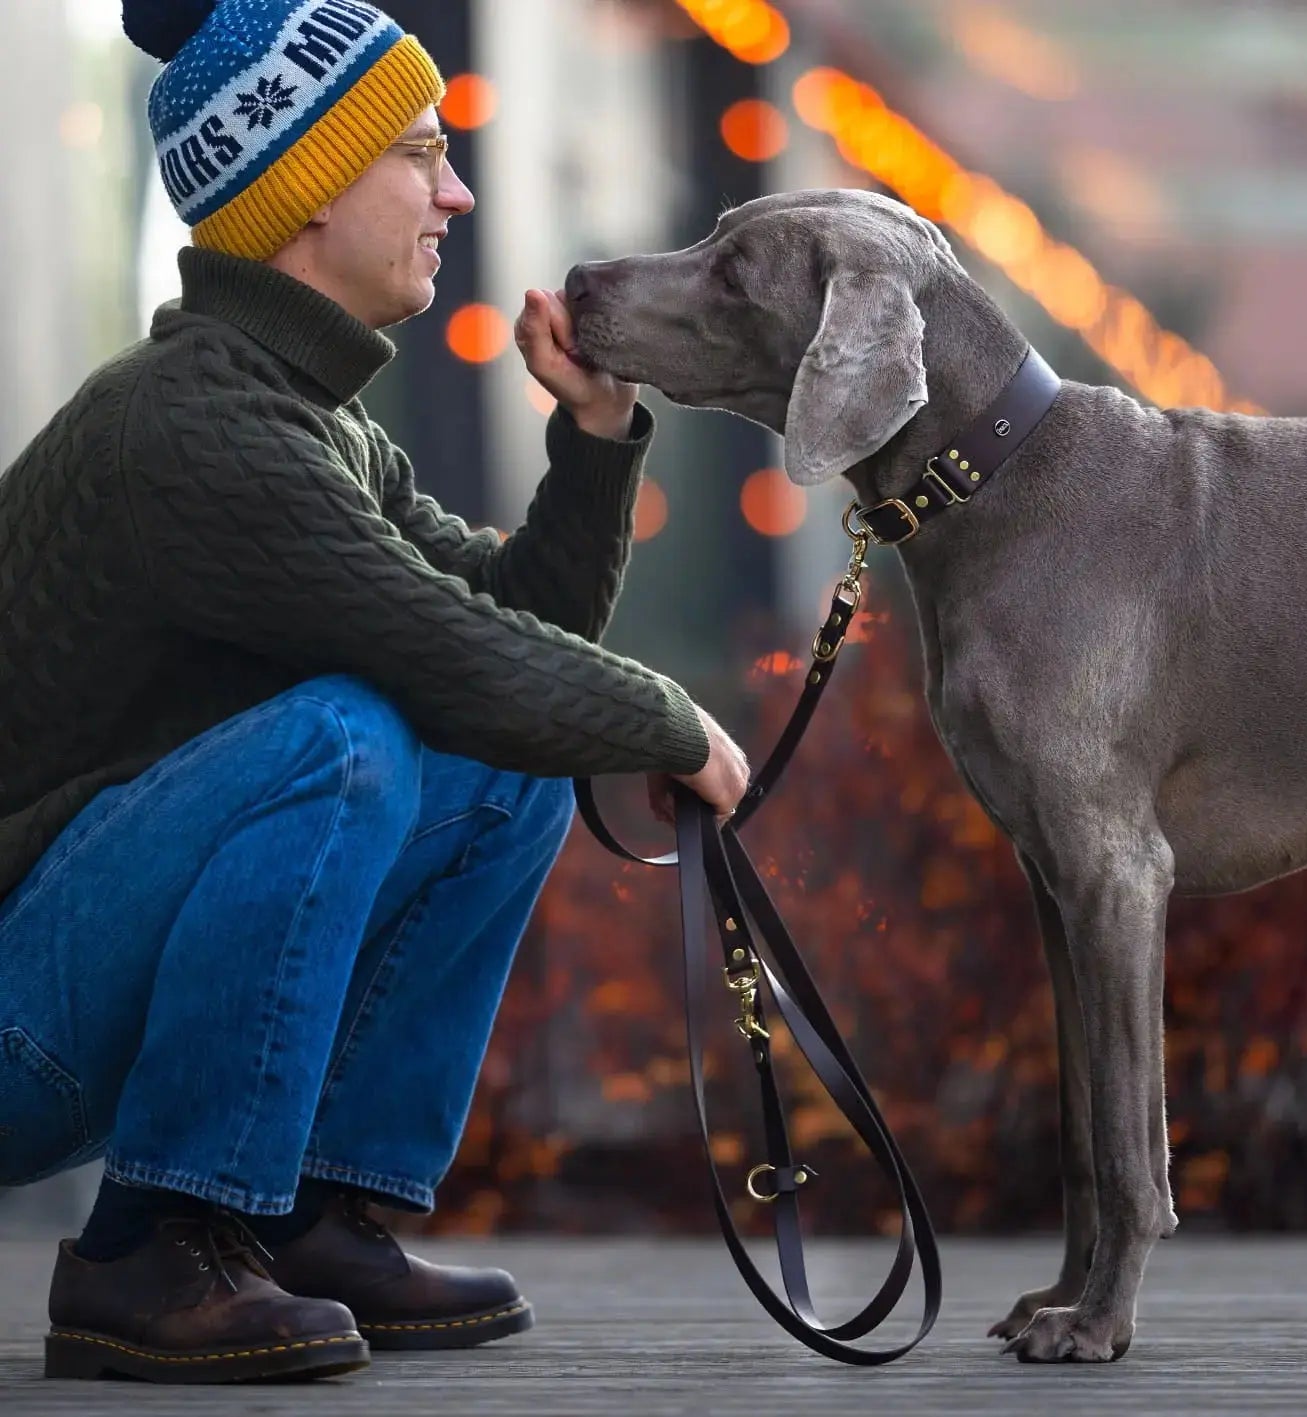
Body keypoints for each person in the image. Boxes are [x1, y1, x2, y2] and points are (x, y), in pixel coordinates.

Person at [0, 0, 749, 1385]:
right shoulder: (196, 430)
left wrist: (592, 437)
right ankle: (156, 1246)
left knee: (497, 756)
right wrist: (670, 719)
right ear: (305, 195)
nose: (455, 191)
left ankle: (315, 1216)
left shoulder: (304, 415)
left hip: (55, 981)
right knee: (341, 737)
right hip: (11, 1021)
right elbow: (448, 654)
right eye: (418, 154)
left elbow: (507, 635)